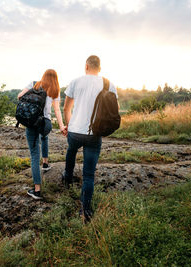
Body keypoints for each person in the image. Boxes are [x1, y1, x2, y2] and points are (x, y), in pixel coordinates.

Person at [63, 55, 118, 221]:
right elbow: (114, 110)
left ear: (86, 66)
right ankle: (85, 211)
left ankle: (67, 178)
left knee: (71, 152)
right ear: (99, 68)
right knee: (88, 175)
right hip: (94, 134)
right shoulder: (109, 84)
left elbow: (66, 108)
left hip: (74, 131)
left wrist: (69, 125)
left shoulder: (75, 81)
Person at [18, 69, 67, 200]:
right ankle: (45, 163)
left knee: (34, 155)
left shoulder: (34, 84)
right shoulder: (55, 90)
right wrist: (62, 126)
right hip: (45, 123)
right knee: (44, 137)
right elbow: (57, 110)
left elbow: (19, 96)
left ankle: (37, 190)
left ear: (43, 76)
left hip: (32, 121)